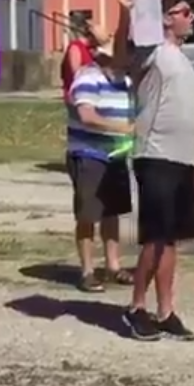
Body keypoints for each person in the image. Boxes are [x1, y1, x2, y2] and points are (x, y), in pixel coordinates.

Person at [116, 0, 194, 341]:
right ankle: (136, 307)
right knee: (155, 236)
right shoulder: (154, 52)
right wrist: (125, 14)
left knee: (171, 241)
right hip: (155, 154)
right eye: (185, 11)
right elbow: (121, 57)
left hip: (182, 159)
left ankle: (165, 311)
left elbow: (190, 119)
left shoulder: (184, 62)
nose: (192, 17)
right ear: (165, 19)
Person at [65, 24, 135, 292]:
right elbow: (87, 115)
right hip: (88, 153)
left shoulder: (125, 82)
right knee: (88, 214)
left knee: (112, 211)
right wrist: (123, 128)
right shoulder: (88, 77)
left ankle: (113, 266)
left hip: (116, 154)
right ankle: (87, 271)